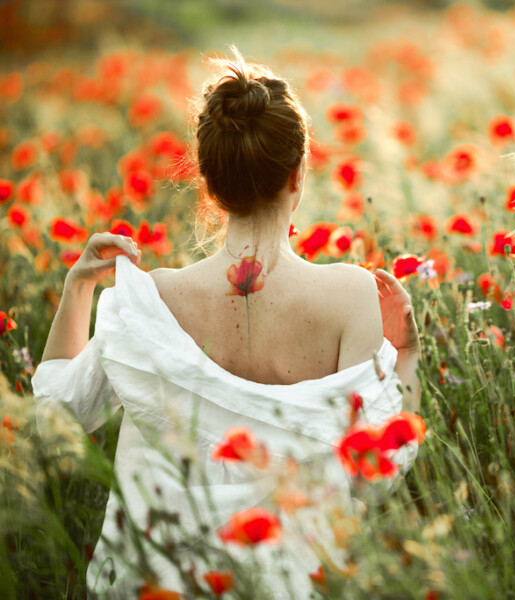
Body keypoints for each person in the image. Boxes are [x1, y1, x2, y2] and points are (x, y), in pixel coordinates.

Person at [32, 49, 421, 598]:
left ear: (209, 186)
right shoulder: (353, 296)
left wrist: (78, 288)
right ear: (298, 175)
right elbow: (375, 477)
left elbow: (57, 419)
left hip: (156, 582)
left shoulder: (151, 300)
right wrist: (405, 357)